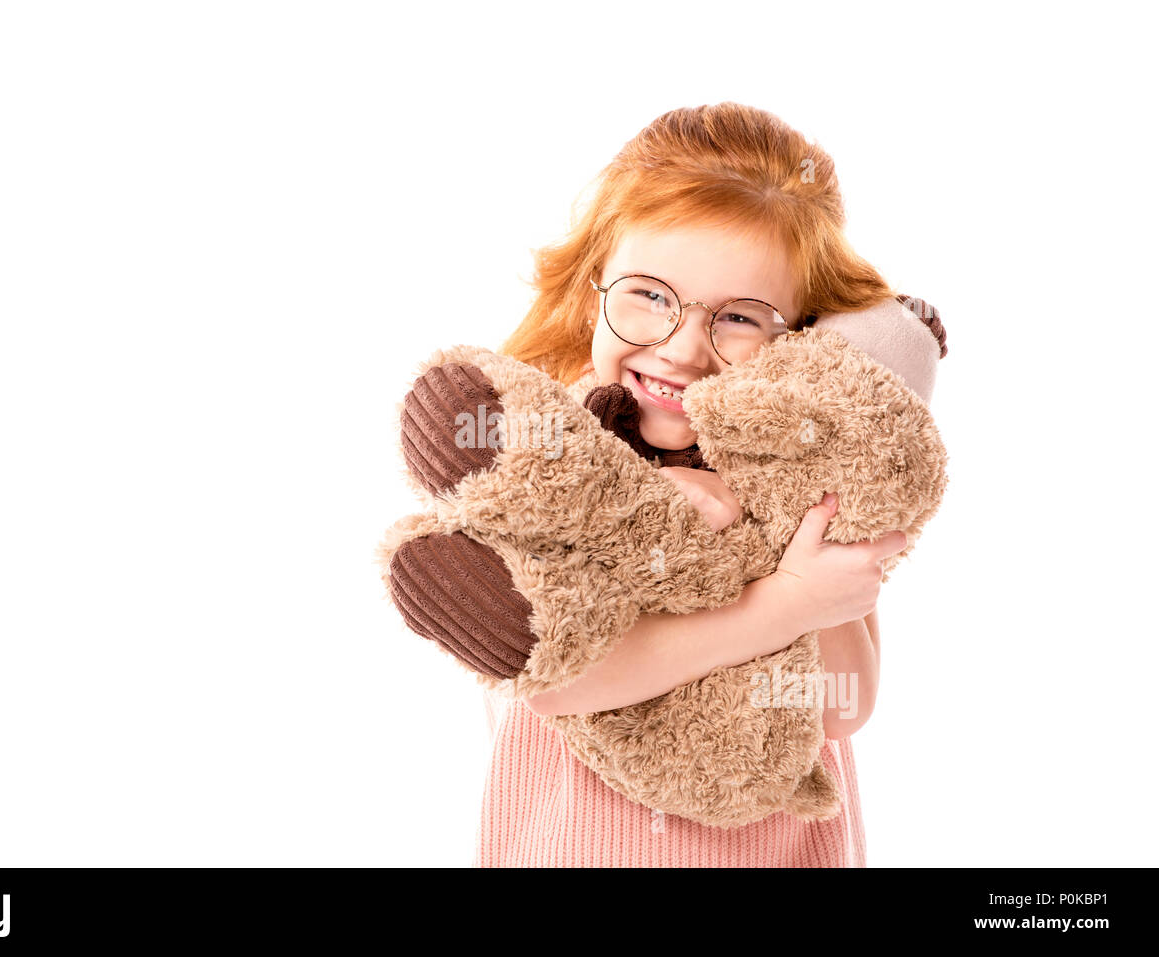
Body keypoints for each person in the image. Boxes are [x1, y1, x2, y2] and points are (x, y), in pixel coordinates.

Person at [393, 102, 946, 866]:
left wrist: (809, 575)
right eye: (649, 295)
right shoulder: (544, 458)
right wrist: (781, 603)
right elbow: (560, 680)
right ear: (594, 286)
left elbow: (843, 707)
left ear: (805, 335)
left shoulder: (795, 478)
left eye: (743, 318)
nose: (683, 349)